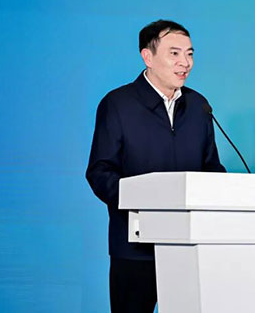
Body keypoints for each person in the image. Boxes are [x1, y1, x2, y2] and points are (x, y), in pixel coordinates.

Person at [86, 20, 226, 313]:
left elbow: (212, 169)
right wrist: (142, 201)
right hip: (135, 249)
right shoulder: (118, 104)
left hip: (191, 246)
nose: (185, 63)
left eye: (190, 54)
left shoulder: (199, 106)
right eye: (174, 53)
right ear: (147, 57)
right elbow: (100, 172)